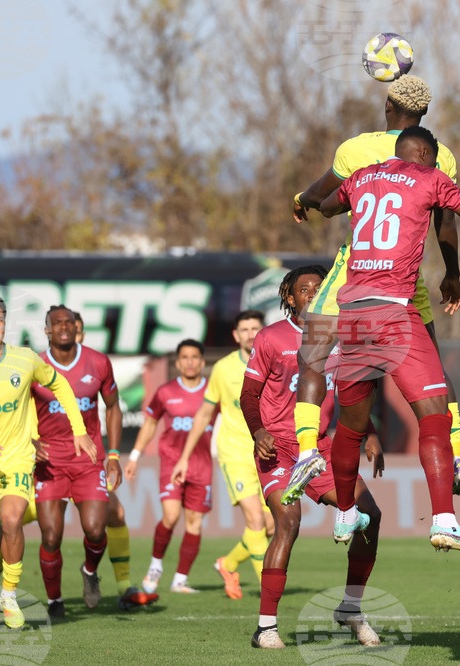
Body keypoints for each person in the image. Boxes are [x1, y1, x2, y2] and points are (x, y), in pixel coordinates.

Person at [319, 126, 460, 559]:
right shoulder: (431, 178)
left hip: (353, 314)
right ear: (427, 155)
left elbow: (325, 205)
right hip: (395, 312)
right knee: (434, 414)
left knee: (352, 427)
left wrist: (315, 201)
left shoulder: (362, 176)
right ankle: (445, 522)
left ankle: (343, 514)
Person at [286, 75, 460, 504]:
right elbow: (447, 221)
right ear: (422, 117)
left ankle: (308, 450)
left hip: (357, 276)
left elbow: (322, 195)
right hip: (408, 280)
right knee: (433, 369)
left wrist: (301, 199)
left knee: (312, 352)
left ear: (389, 107)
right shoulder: (440, 156)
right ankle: (457, 454)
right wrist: (453, 274)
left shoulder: (355, 150)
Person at [240, 266, 384, 649]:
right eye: (304, 289)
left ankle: (351, 608)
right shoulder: (271, 337)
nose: (312, 294)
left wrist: (368, 431)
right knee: (288, 521)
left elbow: (353, 393)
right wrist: (259, 430)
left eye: (319, 288)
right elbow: (248, 395)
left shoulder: (340, 336)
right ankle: (266, 627)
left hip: (320, 449)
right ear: (290, 297)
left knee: (372, 516)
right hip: (280, 451)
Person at [0, 295, 96, 633]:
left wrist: (79, 431)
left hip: (15, 459)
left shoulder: (24, 360)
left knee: (12, 521)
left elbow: (61, 385)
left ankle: (8, 594)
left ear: (5, 324)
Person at [30, 305, 157, 618]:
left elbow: (113, 407)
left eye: (69, 322)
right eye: (56, 323)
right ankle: (55, 600)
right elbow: (18, 408)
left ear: (77, 328)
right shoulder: (32, 365)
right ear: (46, 330)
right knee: (49, 535)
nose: (63, 327)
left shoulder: (98, 361)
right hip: (49, 461)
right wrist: (29, 441)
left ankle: (90, 571)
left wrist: (113, 455)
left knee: (96, 528)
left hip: (88, 460)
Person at [170, 311, 273, 599]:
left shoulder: (277, 360)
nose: (251, 334)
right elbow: (205, 413)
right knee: (254, 520)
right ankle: (269, 591)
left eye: (256, 328)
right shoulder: (223, 369)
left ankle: (226, 565)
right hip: (236, 453)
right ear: (236, 335)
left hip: (270, 453)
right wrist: (184, 457)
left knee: (269, 525)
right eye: (245, 329)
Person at [126, 339, 215, 595]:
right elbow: (151, 423)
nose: (189, 361)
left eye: (194, 357)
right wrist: (134, 456)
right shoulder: (165, 392)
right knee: (171, 516)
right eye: (184, 357)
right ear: (177, 363)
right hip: (171, 462)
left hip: (202, 465)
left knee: (194, 522)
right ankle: (155, 566)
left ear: (201, 362)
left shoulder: (212, 393)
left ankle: (180, 580)